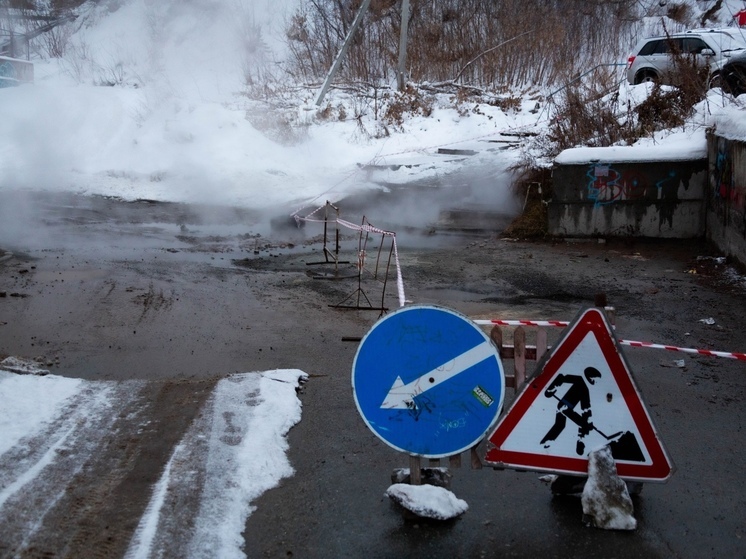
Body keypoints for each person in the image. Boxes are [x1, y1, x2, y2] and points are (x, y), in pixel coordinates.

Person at [539, 367, 601, 455]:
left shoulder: (586, 391)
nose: (595, 382)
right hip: (564, 406)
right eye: (594, 379)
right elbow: (562, 378)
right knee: (581, 424)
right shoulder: (579, 380)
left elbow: (586, 409)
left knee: (560, 425)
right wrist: (551, 388)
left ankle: (546, 442)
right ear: (590, 377)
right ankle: (580, 442)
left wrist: (588, 420)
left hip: (566, 407)